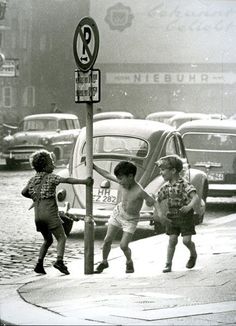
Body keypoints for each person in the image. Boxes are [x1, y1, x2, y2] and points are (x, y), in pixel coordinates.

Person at [21, 149, 92, 275]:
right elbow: (68, 180)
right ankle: (59, 261)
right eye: (51, 162)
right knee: (62, 237)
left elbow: (23, 192)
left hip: (38, 216)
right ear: (45, 166)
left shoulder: (32, 180)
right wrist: (84, 182)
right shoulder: (52, 177)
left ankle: (39, 264)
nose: (53, 164)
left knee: (47, 240)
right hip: (50, 214)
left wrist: (35, 197)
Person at [93, 161, 155, 273]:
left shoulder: (139, 191)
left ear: (130, 176)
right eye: (118, 179)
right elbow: (106, 174)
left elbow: (151, 201)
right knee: (107, 240)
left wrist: (155, 206)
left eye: (121, 179)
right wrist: (94, 166)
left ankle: (129, 261)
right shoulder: (122, 182)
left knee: (123, 245)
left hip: (131, 219)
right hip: (118, 213)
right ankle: (104, 261)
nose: (119, 182)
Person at [154, 155, 199, 273]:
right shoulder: (166, 187)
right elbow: (156, 200)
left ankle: (193, 254)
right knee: (172, 240)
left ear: (173, 170)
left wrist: (189, 207)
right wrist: (160, 213)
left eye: (163, 170)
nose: (161, 173)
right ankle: (168, 264)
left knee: (186, 241)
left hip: (185, 217)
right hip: (172, 216)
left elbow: (195, 197)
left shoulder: (184, 184)